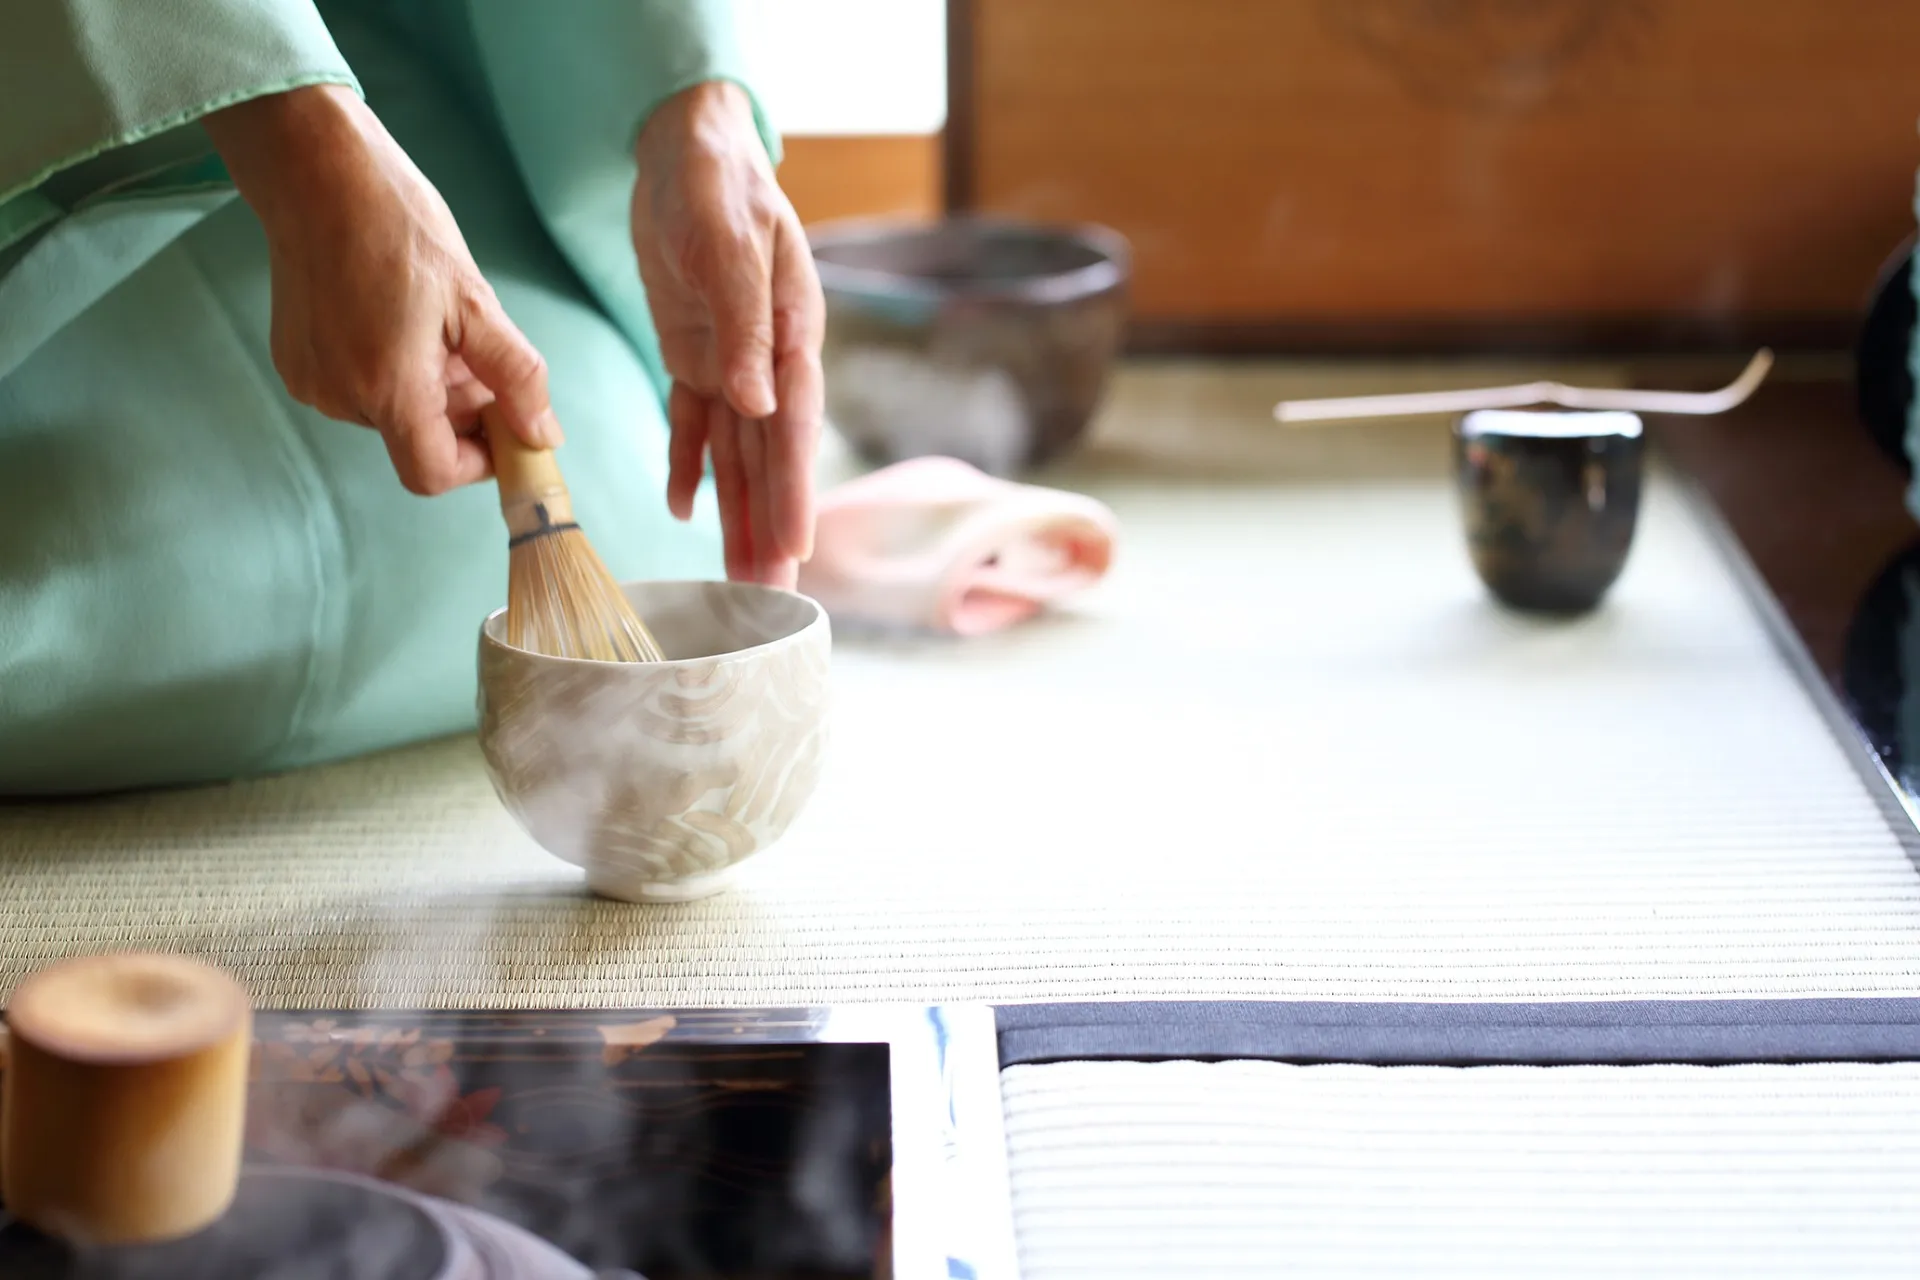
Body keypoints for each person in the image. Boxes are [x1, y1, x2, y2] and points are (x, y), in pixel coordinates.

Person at [0, 1, 824, 796]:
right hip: (68, 98)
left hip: (385, 59)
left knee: (633, 509)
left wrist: (694, 105)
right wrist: (299, 135)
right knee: (92, 571)